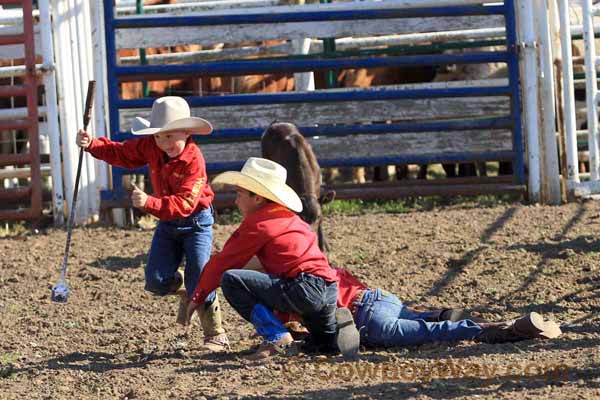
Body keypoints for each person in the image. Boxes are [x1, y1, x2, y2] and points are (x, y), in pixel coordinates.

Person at [76, 96, 229, 351]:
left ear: (187, 132)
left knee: (199, 276)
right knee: (155, 281)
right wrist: (92, 144)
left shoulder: (195, 162)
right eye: (159, 136)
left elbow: (185, 204)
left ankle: (216, 335)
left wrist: (149, 203)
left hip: (196, 222)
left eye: (169, 136)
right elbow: (122, 153)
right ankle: (186, 289)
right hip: (168, 223)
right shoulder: (151, 147)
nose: (163, 142)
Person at [185, 157, 361, 360]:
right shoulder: (292, 219)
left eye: (239, 193)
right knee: (321, 346)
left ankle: (276, 337)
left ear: (257, 198)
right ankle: (334, 337)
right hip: (329, 287)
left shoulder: (259, 223)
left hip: (304, 289)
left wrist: (198, 296)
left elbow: (224, 262)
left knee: (232, 279)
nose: (235, 200)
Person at [331, 267, 562, 349]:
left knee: (431, 332)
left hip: (366, 318)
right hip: (381, 298)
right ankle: (435, 315)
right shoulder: (324, 268)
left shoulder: (299, 290)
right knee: (414, 320)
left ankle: (504, 330)